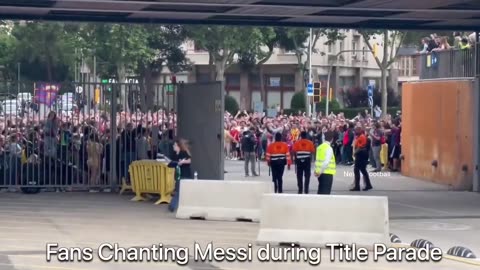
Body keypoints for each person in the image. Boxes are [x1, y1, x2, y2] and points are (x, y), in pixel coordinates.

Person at [168, 139, 192, 212]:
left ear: (178, 146)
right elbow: (172, 164)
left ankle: (173, 205)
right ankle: (176, 205)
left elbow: (189, 160)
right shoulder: (174, 155)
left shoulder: (183, 153)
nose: (173, 146)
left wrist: (183, 161)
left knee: (180, 191)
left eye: (175, 145)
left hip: (185, 174)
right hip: (178, 175)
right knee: (180, 191)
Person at [351, 127, 373, 191]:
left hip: (361, 155)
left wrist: (355, 152)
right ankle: (368, 185)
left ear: (360, 131)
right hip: (361, 154)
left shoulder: (362, 137)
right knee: (363, 170)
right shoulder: (359, 137)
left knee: (357, 169)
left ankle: (357, 186)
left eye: (357, 130)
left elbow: (361, 147)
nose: (355, 131)